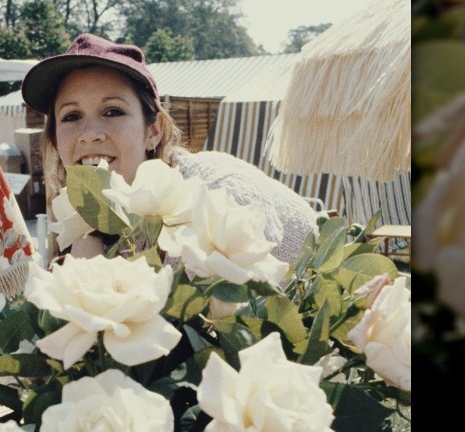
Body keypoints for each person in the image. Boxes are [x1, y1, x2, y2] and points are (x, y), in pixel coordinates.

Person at [21, 33, 318, 266]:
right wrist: (87, 237)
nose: (90, 135)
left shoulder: (214, 191)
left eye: (113, 111)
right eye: (71, 116)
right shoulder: (107, 221)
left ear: (154, 130)